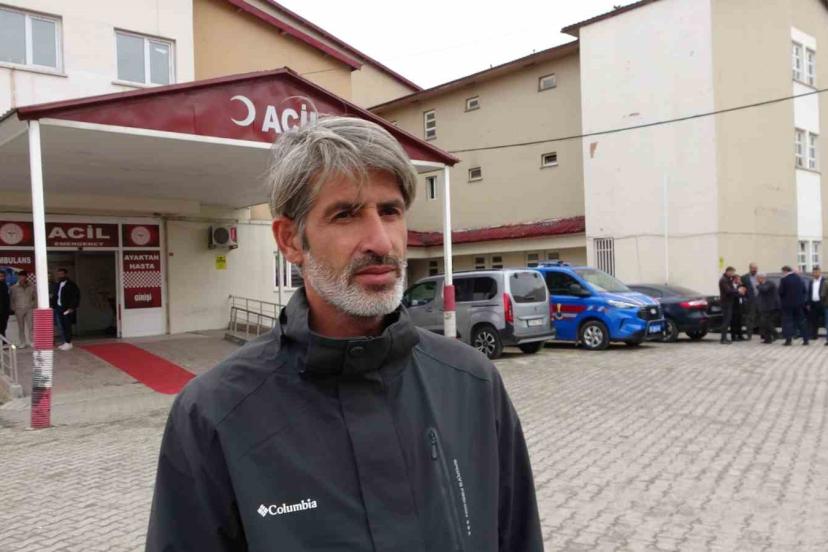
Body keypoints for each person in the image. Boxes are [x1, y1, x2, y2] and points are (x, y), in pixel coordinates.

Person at [146, 117, 543, 551]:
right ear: (290, 240)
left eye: (390, 211)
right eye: (346, 215)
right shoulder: (216, 413)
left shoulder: (472, 383)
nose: (381, 242)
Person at [778, 265, 809, 346]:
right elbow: (804, 290)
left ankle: (788, 340)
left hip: (787, 305)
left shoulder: (784, 280)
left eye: (782, 272)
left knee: (788, 322)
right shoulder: (799, 279)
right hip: (799, 304)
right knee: (801, 321)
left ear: (785, 271)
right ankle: (806, 340)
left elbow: (780, 292)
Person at [55, 268, 80, 351]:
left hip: (67, 308)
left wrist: (72, 307)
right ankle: (65, 342)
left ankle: (68, 342)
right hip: (59, 307)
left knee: (67, 325)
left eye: (62, 274)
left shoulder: (71, 285)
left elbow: (76, 297)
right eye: (59, 274)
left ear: (65, 274)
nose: (60, 276)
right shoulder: (58, 284)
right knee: (61, 326)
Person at [9, 271, 35, 348]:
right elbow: (11, 299)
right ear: (18, 277)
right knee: (21, 327)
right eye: (20, 276)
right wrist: (13, 308)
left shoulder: (32, 286)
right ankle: (22, 342)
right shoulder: (13, 287)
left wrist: (33, 305)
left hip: (29, 309)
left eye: (23, 276)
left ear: (26, 277)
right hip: (19, 309)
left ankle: (32, 342)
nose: (21, 278)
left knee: (31, 326)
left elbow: (35, 297)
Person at [756, 273, 780, 343]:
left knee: (766, 322)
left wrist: (758, 285)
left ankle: (775, 334)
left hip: (770, 306)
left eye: (757, 278)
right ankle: (768, 339)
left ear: (761, 278)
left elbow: (764, 289)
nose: (757, 280)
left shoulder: (769, 283)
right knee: (764, 322)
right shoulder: (763, 284)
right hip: (764, 306)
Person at [718, 267, 740, 344]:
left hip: (729, 302)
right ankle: (723, 339)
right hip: (726, 303)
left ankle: (724, 338)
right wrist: (738, 290)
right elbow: (728, 291)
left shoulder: (728, 279)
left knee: (727, 321)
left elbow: (731, 290)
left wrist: (737, 291)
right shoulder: (723, 280)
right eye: (732, 272)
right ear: (728, 271)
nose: (733, 274)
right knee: (726, 321)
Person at [740, 262, 760, 340]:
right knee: (750, 318)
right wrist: (745, 298)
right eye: (753, 268)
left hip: (760, 299)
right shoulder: (744, 277)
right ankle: (749, 335)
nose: (755, 270)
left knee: (762, 317)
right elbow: (741, 288)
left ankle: (764, 335)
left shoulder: (759, 276)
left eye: (756, 268)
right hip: (750, 300)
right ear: (750, 268)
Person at [807, 265, 825, 340]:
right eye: (814, 272)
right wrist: (808, 303)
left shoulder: (824, 281)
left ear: (820, 272)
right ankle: (814, 335)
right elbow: (809, 293)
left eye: (816, 272)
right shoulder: (811, 282)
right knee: (814, 320)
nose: (815, 274)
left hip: (822, 303)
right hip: (813, 303)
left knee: (825, 320)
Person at [0, 271, 10, 343]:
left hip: (4, 311)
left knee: (3, 327)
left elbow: (6, 299)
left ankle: (4, 342)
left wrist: (7, 311)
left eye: (3, 276)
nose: (1, 278)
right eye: (0, 276)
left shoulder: (5, 285)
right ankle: (4, 342)